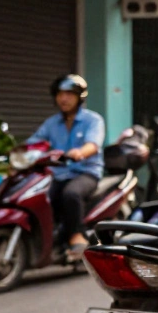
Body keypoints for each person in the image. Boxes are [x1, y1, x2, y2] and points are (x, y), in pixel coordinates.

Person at [27, 74, 105, 257]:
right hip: (58, 173)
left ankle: (77, 235)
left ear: (79, 97)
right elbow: (34, 143)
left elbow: (93, 144)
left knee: (71, 193)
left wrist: (80, 152)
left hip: (86, 172)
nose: (64, 98)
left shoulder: (93, 120)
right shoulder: (51, 123)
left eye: (69, 94)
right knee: (40, 196)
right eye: (60, 94)